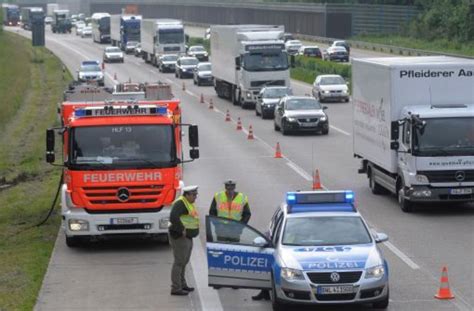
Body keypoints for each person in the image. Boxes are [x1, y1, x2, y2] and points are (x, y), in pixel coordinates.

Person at [169, 185, 200, 296]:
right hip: (180, 237)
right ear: (187, 195)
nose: (195, 197)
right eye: (194, 195)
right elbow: (173, 217)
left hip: (187, 237)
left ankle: (182, 284)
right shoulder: (181, 203)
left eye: (196, 194)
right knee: (179, 262)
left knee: (184, 262)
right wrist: (182, 229)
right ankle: (176, 288)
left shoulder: (188, 203)